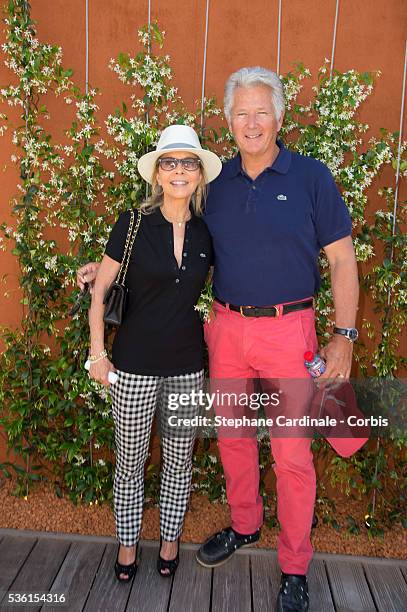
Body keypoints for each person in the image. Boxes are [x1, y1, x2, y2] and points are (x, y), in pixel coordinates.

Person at [79, 67, 359, 611]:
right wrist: (106, 268)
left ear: (279, 116)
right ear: (228, 121)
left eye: (261, 111)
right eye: (240, 113)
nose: (251, 122)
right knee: (232, 437)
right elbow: (170, 247)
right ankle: (245, 524)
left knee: (292, 456)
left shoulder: (312, 178)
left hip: (290, 330)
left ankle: (295, 565)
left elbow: (343, 258)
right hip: (227, 330)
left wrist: (343, 334)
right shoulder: (217, 187)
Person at [85, 124, 221, 582]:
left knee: (179, 463)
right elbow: (101, 288)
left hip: (187, 367)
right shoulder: (132, 224)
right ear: (157, 174)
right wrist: (97, 353)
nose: (178, 171)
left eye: (187, 163)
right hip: (134, 366)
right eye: (170, 162)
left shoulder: (207, 232)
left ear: (199, 175)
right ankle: (127, 547)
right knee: (130, 463)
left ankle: (168, 542)